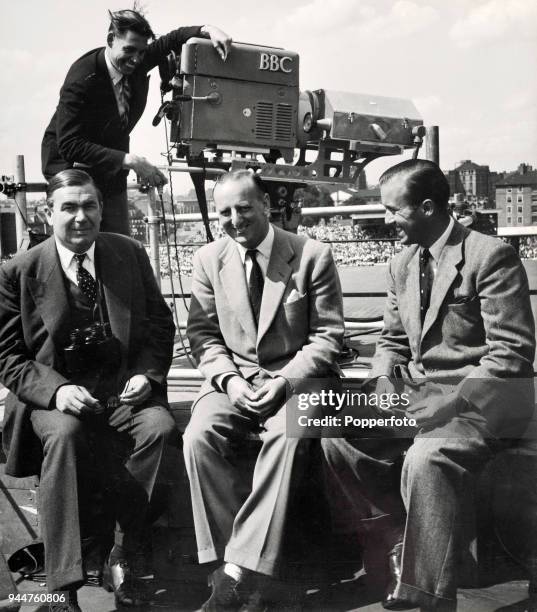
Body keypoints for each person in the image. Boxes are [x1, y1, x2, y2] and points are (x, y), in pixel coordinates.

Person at [322, 159, 535, 611]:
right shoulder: (400, 265)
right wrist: (381, 378)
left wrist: (449, 404)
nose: (383, 220)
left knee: (427, 454)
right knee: (329, 426)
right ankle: (398, 538)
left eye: (391, 210)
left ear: (425, 208)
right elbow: (392, 341)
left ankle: (426, 596)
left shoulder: (490, 255)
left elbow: (512, 355)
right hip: (423, 395)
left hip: (487, 401)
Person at [0, 170, 177, 611]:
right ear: (47, 212)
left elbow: (159, 326)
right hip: (55, 399)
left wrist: (147, 376)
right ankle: (63, 586)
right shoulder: (18, 271)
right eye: (69, 207)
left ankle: (127, 554)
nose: (81, 217)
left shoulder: (129, 253)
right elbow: (7, 356)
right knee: (65, 437)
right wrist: (58, 392)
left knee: (159, 429)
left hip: (123, 394)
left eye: (90, 206)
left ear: (101, 208)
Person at [184, 170, 344, 610]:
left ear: (267, 208)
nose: (234, 220)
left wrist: (283, 382)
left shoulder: (312, 254)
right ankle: (229, 568)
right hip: (232, 378)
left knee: (286, 436)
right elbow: (202, 336)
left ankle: (237, 575)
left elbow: (327, 338)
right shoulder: (207, 259)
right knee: (198, 437)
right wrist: (230, 381)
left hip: (295, 380)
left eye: (243, 209)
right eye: (224, 213)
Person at [41, 9, 231, 235]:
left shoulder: (136, 59)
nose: (136, 59)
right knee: (83, 244)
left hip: (110, 171)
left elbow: (173, 38)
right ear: (111, 40)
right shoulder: (83, 77)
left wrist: (208, 29)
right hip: (71, 169)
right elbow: (70, 144)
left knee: (118, 247)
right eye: (129, 50)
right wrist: (131, 161)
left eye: (141, 52)